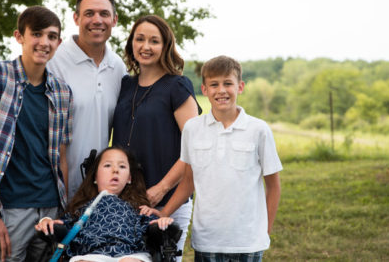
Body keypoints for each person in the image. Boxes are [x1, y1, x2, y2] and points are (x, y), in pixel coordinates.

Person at [144, 55, 282, 262]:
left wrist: (265, 230)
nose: (221, 90)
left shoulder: (259, 130)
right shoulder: (193, 129)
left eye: (228, 83)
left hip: (247, 241)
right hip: (207, 240)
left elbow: (273, 186)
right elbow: (188, 182)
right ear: (204, 89)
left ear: (240, 86)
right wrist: (164, 213)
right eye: (214, 85)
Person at [0, 6, 72, 262]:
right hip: (9, 208)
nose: (44, 42)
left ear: (59, 41)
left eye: (52, 36)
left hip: (49, 207)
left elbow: (61, 156)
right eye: (37, 34)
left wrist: (62, 213)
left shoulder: (62, 91)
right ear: (19, 36)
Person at [111, 15, 200, 261]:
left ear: (165, 46)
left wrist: (161, 189)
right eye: (139, 39)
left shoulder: (177, 86)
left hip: (167, 200)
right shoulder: (125, 85)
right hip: (127, 201)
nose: (146, 46)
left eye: (154, 41)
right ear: (131, 44)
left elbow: (196, 147)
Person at [47, 0, 127, 200]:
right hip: (51, 186)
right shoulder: (54, 60)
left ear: (114, 20)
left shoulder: (118, 67)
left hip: (98, 189)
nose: (97, 20)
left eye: (104, 14)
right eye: (89, 13)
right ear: (76, 18)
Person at [36, 147, 174, 262]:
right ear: (95, 177)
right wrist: (46, 220)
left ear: (129, 178)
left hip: (129, 254)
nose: (115, 170)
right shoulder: (83, 209)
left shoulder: (136, 208)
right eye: (108, 165)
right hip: (90, 254)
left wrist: (162, 221)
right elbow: (64, 224)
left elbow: (151, 225)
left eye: (122, 166)